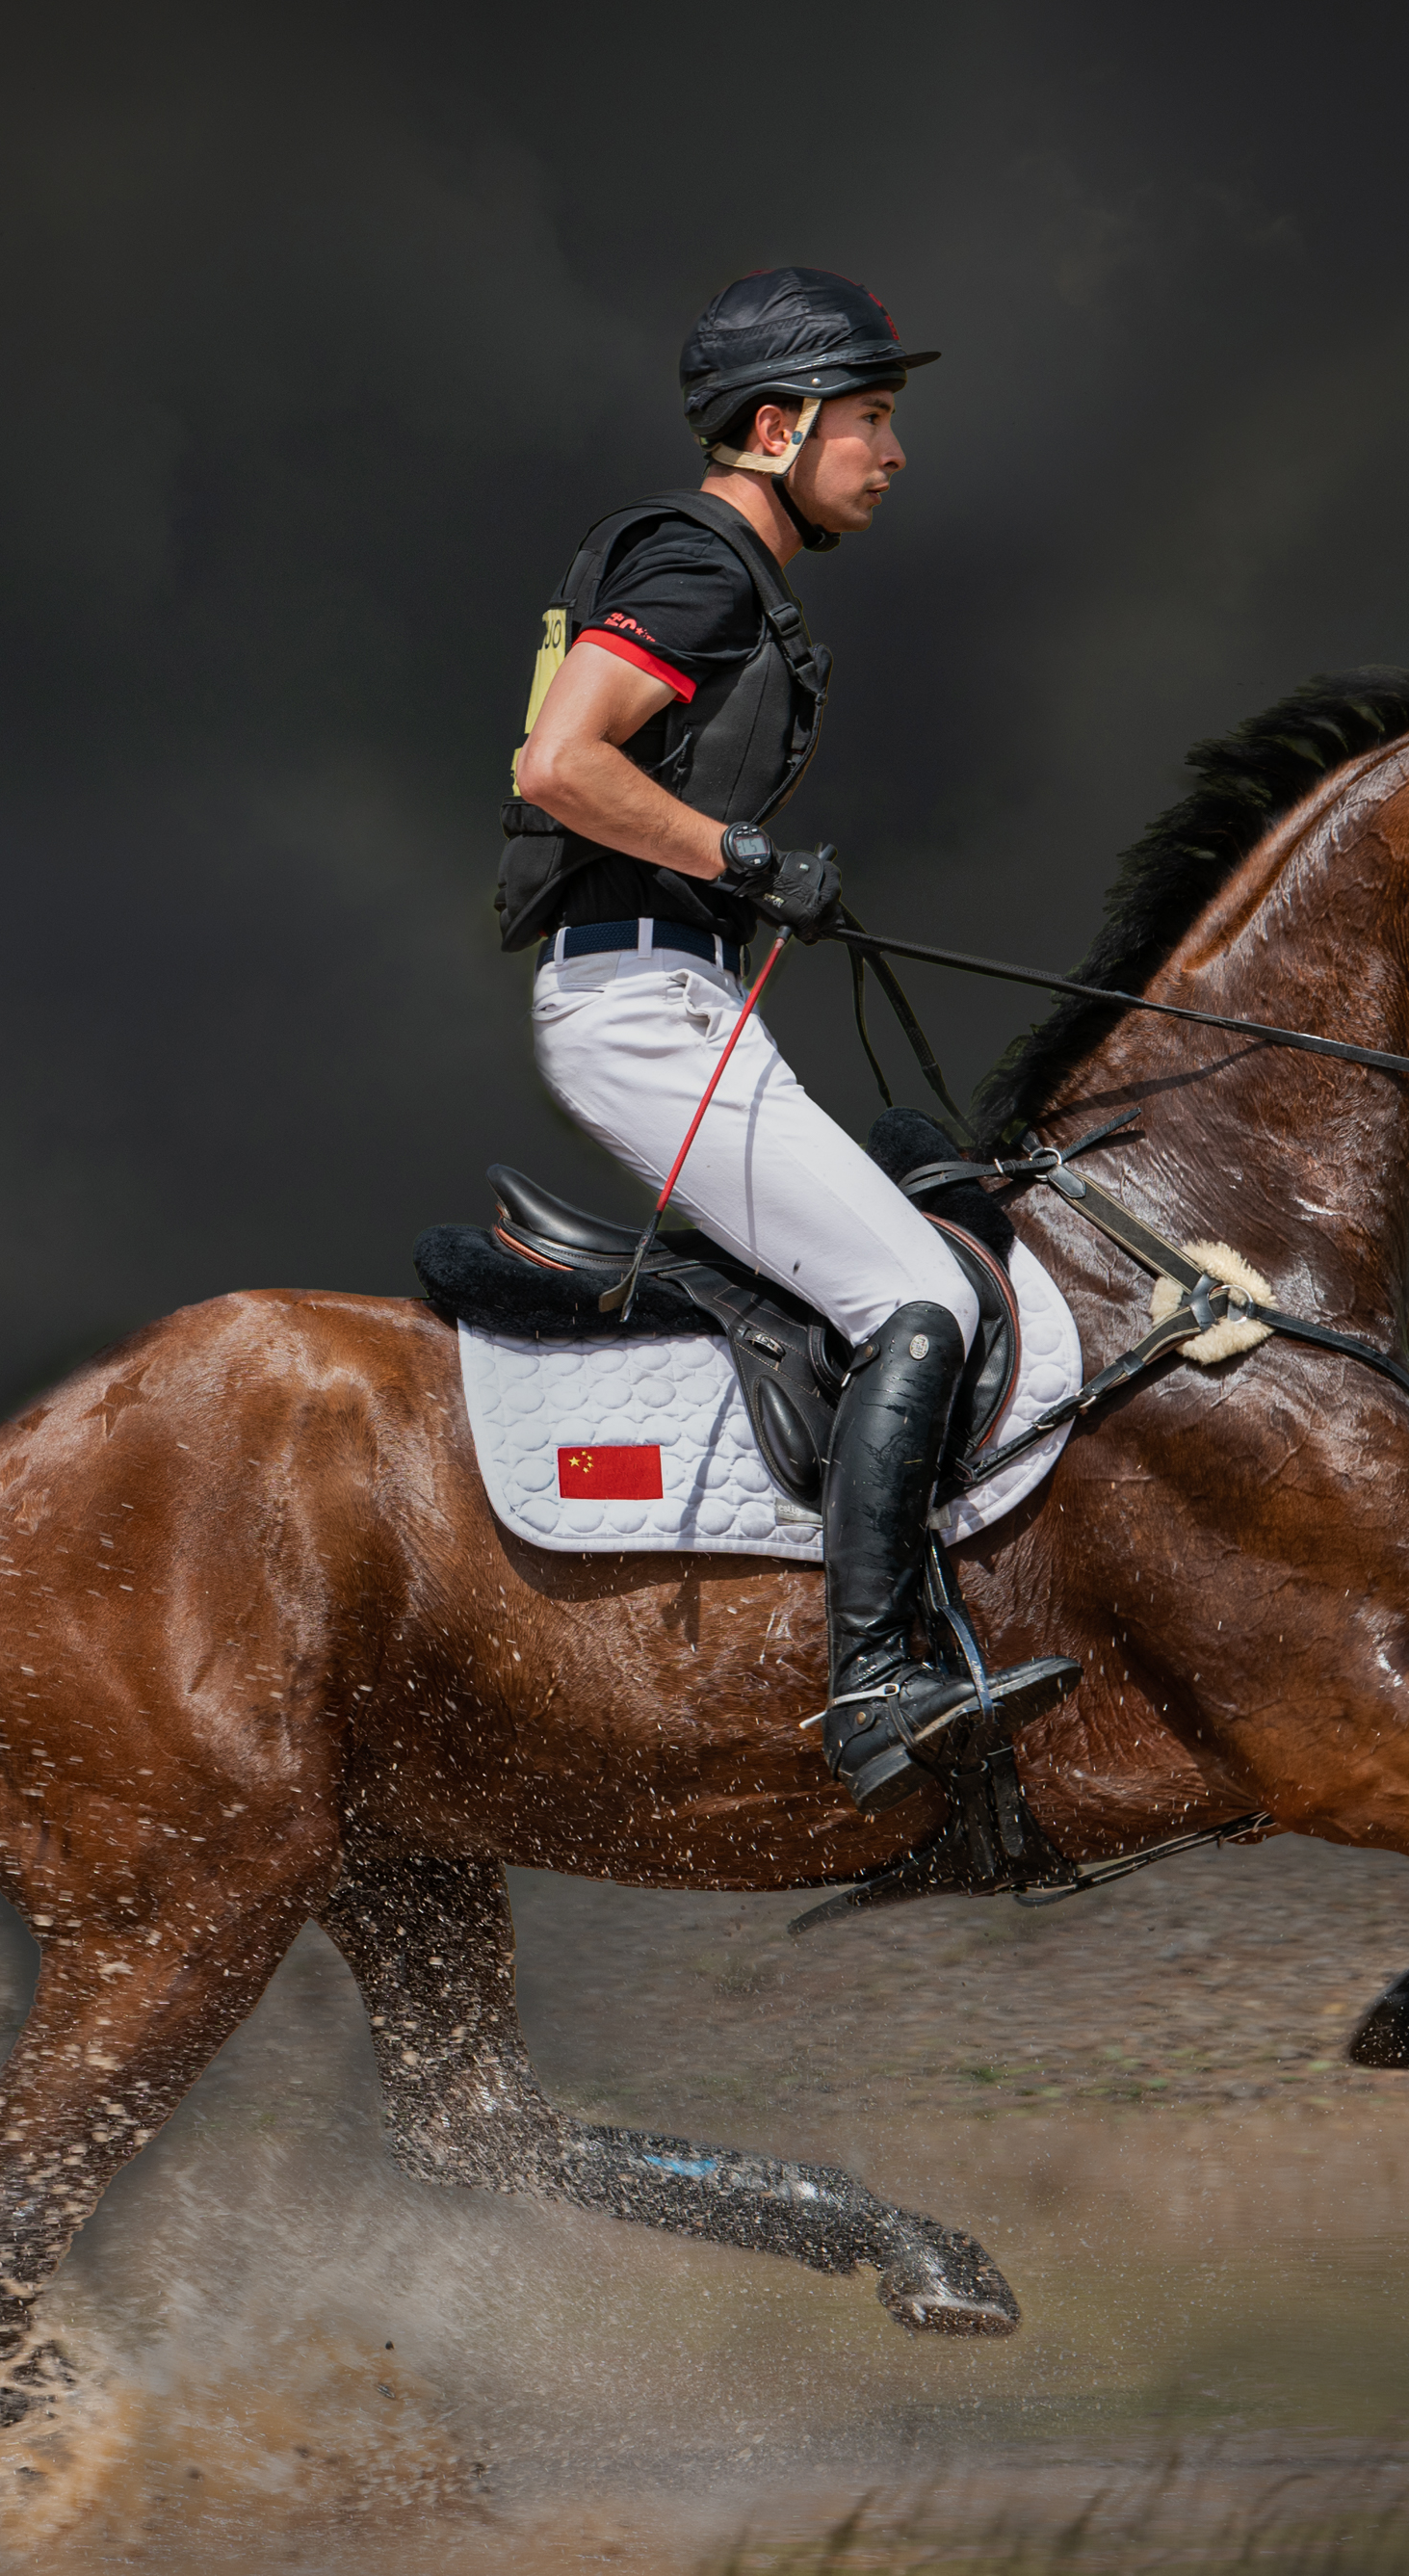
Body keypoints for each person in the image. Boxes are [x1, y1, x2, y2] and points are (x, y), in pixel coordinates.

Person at [498, 268, 1077, 1814]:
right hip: (634, 1003)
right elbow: (560, 765)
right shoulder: (697, 569)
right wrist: (740, 859)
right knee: (912, 1296)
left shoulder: (730, 577)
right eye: (870, 421)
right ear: (775, 429)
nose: (892, 455)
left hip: (675, 992)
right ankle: (875, 1687)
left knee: (922, 1216)